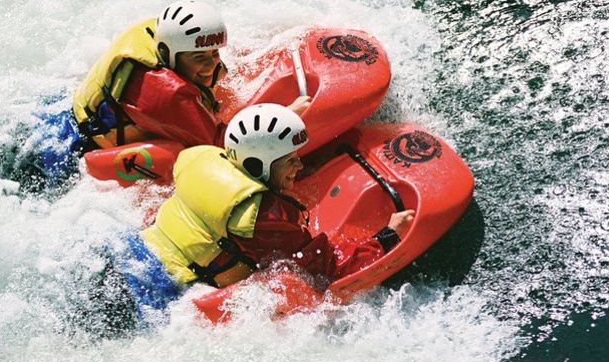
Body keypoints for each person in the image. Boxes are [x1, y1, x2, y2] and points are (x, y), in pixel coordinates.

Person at [100, 104, 413, 331]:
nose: (298, 168)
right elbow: (326, 267)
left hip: (125, 252)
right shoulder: (262, 217)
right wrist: (386, 237)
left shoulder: (206, 157)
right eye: (289, 161)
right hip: (154, 293)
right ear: (257, 165)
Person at [72, 0, 310, 150]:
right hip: (75, 146)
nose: (210, 65)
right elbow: (222, 144)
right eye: (199, 58)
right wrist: (286, 114)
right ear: (169, 53)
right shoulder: (166, 93)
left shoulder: (160, 33)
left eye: (214, 53)